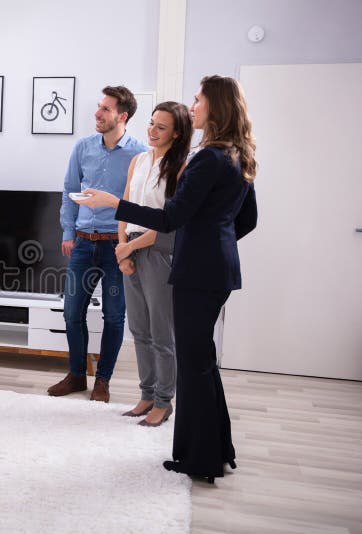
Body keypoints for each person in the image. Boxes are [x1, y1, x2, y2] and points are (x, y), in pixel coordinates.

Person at [75, 75, 257, 482]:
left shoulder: (208, 158)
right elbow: (247, 220)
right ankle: (218, 449)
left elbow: (171, 218)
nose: (193, 105)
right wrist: (213, 239)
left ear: (216, 107)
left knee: (194, 366)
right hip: (217, 269)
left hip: (196, 271)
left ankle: (200, 460)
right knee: (203, 364)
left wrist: (114, 203)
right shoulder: (238, 154)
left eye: (198, 100)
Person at [48, 86, 148, 402]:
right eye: (99, 106)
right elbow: (68, 190)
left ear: (123, 115)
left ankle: (102, 381)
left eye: (105, 108)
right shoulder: (83, 147)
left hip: (117, 247)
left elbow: (141, 203)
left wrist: (128, 244)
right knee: (72, 313)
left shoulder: (140, 154)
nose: (97, 113)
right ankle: (77, 375)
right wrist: (68, 231)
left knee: (114, 316)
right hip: (82, 244)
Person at [117, 101, 192, 427]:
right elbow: (125, 207)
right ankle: (146, 395)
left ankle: (164, 401)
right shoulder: (138, 160)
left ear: (176, 133)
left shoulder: (181, 167)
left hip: (159, 249)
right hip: (130, 247)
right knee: (139, 330)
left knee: (162, 333)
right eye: (151, 123)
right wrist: (122, 248)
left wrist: (130, 246)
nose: (152, 130)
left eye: (161, 127)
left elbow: (168, 222)